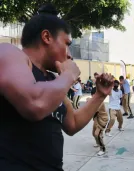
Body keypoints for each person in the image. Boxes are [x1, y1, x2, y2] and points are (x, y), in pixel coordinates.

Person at [0, 4, 114, 171]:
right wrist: (69, 74)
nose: (69, 54)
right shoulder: (9, 53)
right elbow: (34, 104)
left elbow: (72, 123)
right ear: (46, 37)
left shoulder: (52, 81)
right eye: (66, 43)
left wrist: (99, 95)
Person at [89, 87, 109, 156]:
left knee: (97, 134)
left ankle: (102, 149)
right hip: (96, 119)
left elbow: (93, 110)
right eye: (91, 95)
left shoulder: (99, 101)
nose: (92, 96)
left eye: (93, 95)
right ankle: (98, 142)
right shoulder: (94, 100)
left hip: (102, 120)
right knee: (93, 133)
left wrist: (88, 102)